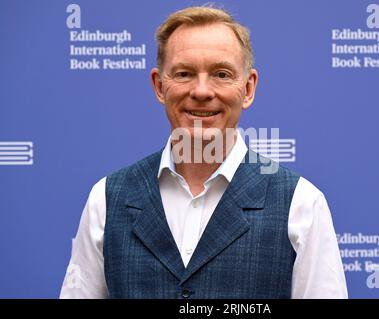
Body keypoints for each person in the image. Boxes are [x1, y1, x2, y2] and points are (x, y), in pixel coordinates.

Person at [60, 5, 347, 299]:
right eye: (184, 73)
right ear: (159, 86)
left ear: (248, 89)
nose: (201, 91)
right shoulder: (107, 199)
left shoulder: (301, 203)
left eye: (221, 74)